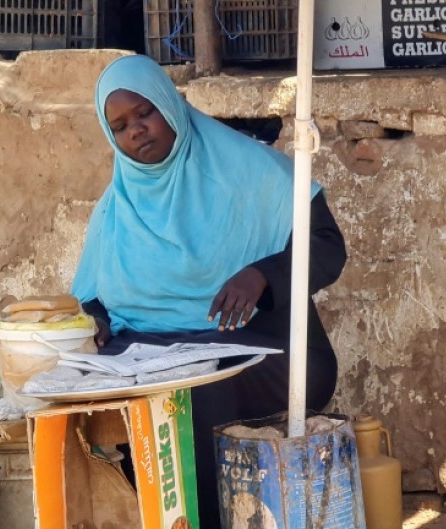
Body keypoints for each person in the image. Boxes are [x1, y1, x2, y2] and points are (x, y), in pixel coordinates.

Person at [71, 54, 347, 528]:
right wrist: (94, 322)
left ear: (169, 106)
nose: (136, 131)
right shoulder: (118, 206)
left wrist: (262, 274)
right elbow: (94, 293)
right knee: (128, 396)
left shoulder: (249, 169)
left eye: (145, 113)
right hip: (156, 347)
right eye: (119, 126)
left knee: (198, 396)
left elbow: (327, 248)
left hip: (253, 340)